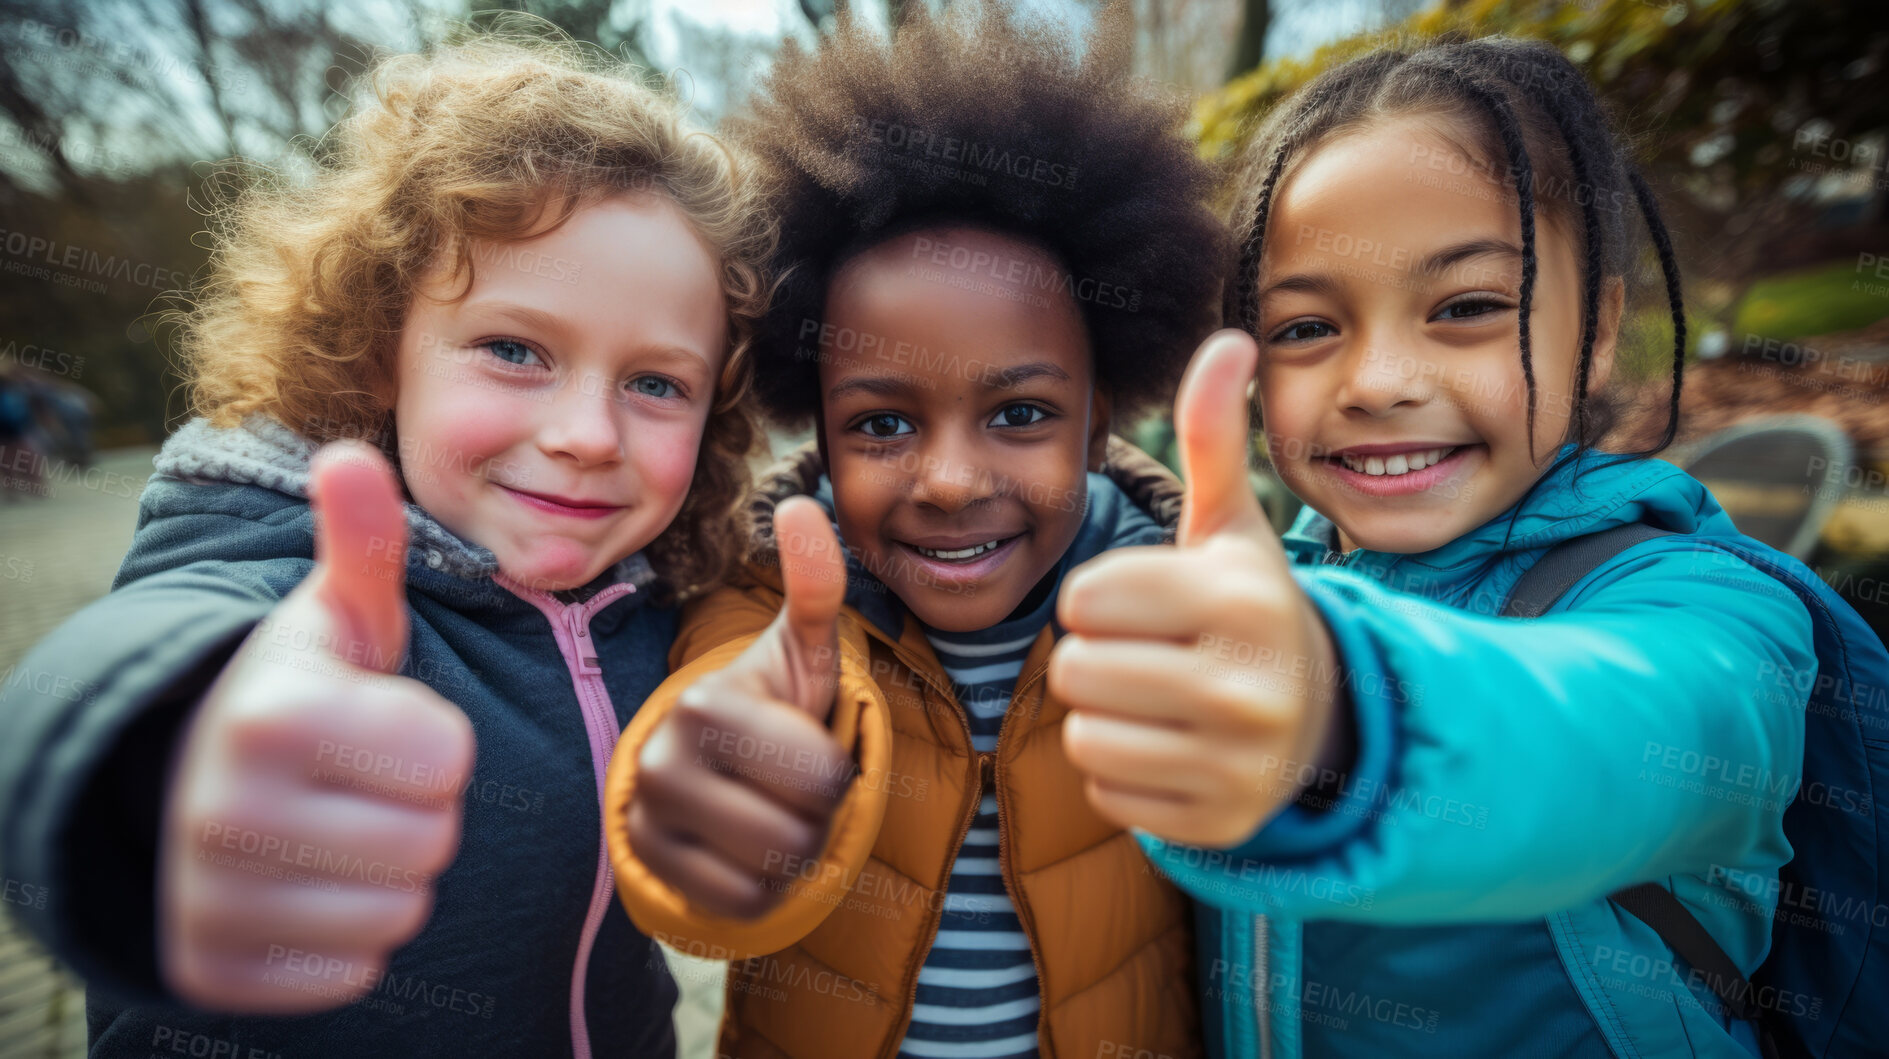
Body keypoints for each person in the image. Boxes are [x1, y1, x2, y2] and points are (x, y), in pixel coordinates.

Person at [1049, 37, 1889, 1059]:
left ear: (1593, 331)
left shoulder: (1714, 612)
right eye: (1306, 327)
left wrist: (1333, 711)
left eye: (1467, 308)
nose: (1378, 379)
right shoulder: (1262, 593)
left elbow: (1618, 719)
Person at [0, 32, 772, 1057]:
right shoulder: (287, 570)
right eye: (513, 350)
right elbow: (141, 657)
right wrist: (162, 767)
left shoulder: (655, 597)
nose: (588, 433)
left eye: (655, 382)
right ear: (378, 355)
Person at [600, 6, 1225, 1056]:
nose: (946, 480)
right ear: (822, 435)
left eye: (1019, 413)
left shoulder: (1187, 614)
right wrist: (713, 805)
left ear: (1095, 427)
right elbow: (701, 854)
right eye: (881, 424)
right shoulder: (761, 605)